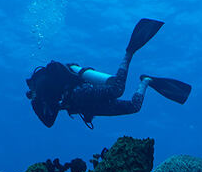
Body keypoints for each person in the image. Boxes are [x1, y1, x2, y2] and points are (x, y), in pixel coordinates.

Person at [26, 19, 191, 128]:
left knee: (117, 89)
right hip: (84, 107)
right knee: (133, 107)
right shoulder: (41, 99)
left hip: (79, 94)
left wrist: (36, 98)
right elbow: (49, 122)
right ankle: (146, 81)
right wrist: (36, 103)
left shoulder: (41, 85)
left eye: (31, 92)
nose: (31, 94)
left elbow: (56, 99)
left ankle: (129, 53)